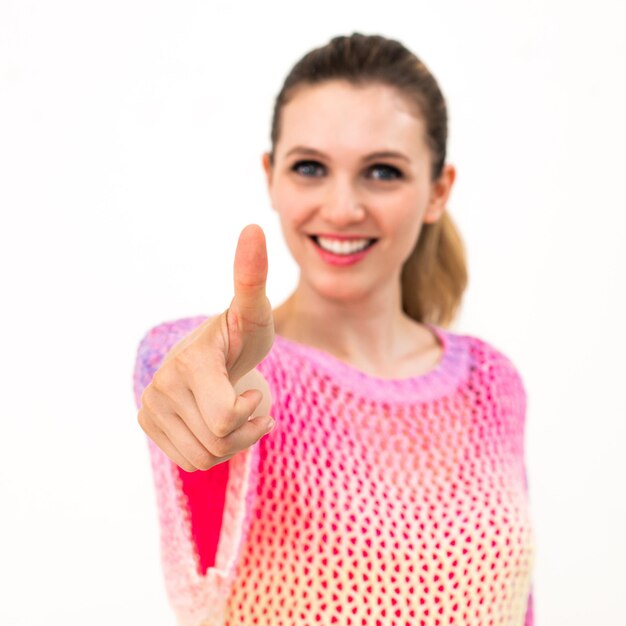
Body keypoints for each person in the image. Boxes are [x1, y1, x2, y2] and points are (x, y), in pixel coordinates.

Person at [133, 32, 534, 626]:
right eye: (311, 167)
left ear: (438, 190)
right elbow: (186, 387)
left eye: (382, 172)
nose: (342, 208)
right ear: (272, 177)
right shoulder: (232, 378)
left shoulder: (492, 382)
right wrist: (189, 378)